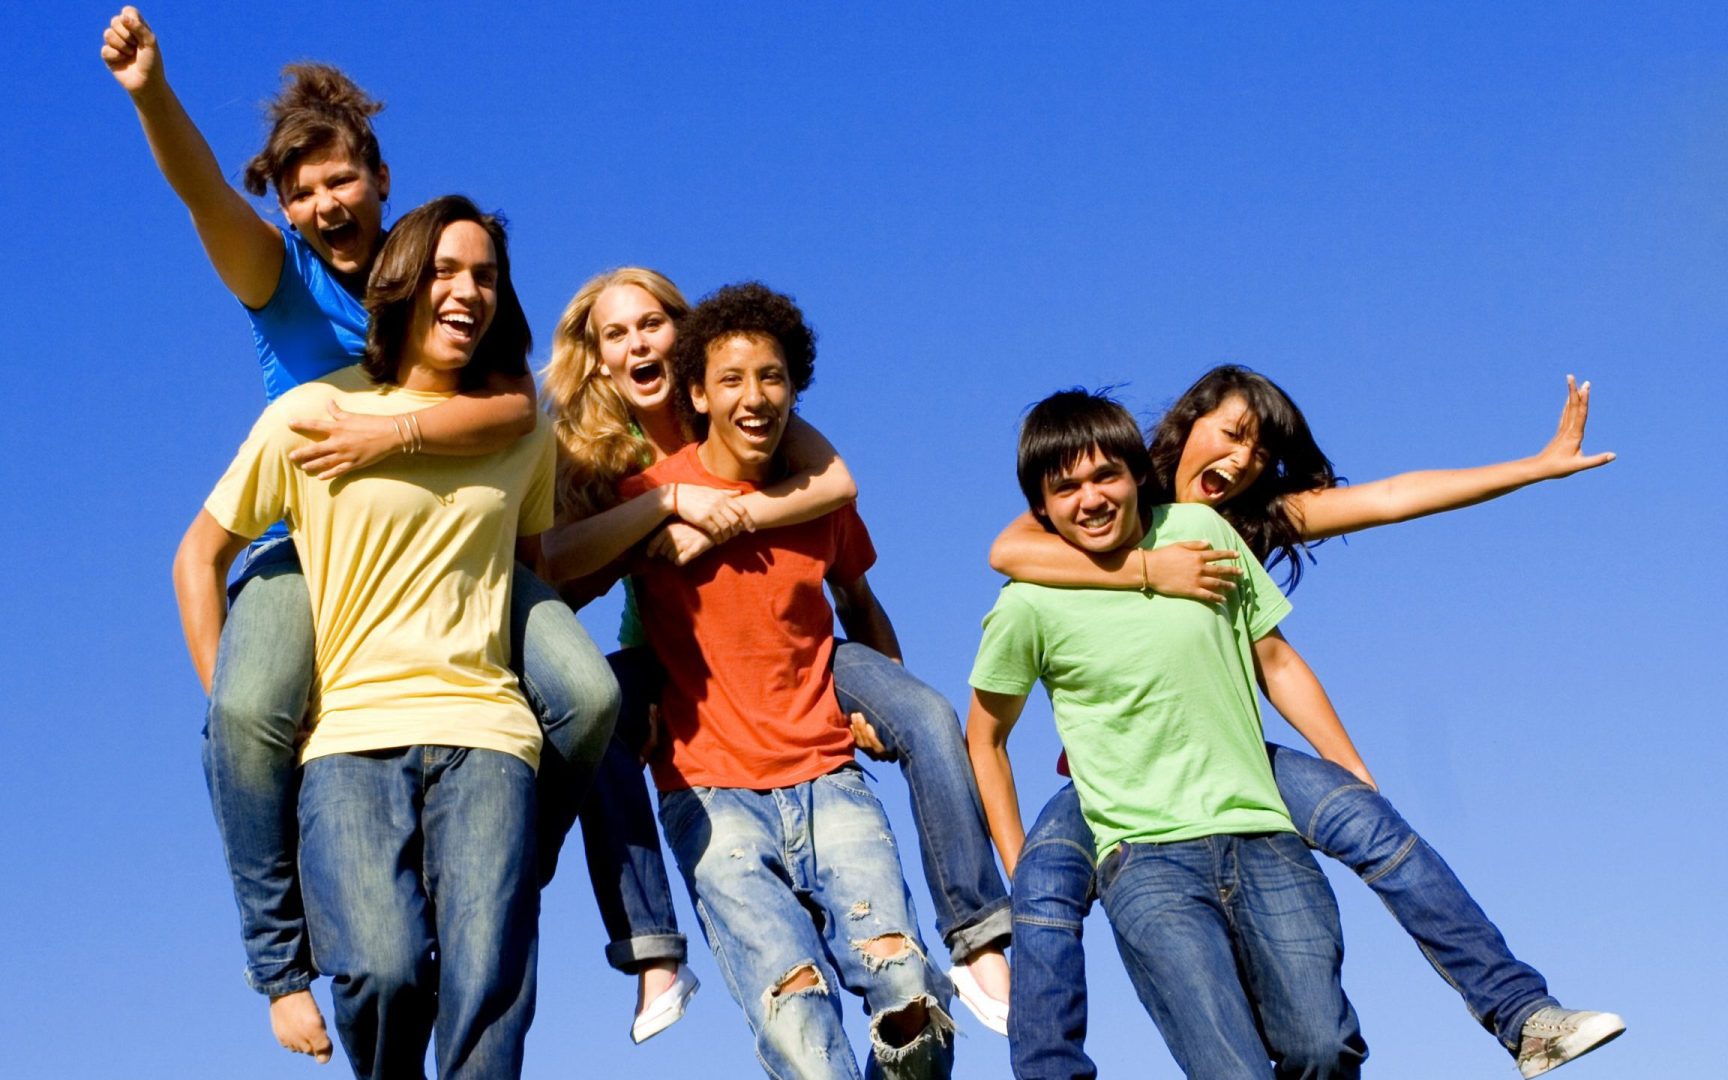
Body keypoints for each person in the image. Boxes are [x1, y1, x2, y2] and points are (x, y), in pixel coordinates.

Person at [103, 9, 617, 1060]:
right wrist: (153, 91)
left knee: (593, 692)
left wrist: (405, 437)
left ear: (380, 179)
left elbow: (517, 405)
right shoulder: (279, 279)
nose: (323, 204)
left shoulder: (432, 278)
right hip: (313, 548)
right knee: (247, 711)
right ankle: (280, 957)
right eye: (300, 191)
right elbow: (202, 194)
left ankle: (515, 854)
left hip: (458, 548)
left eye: (340, 180)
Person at [992, 366, 1624, 1079]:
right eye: (1230, 434)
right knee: (1041, 889)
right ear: (1183, 423)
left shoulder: (1235, 524)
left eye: (1260, 452)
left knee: (1371, 822)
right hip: (1111, 777)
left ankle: (1523, 1014)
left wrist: (1535, 467)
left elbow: (1389, 499)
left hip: (1229, 757)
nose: (1239, 460)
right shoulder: (1095, 478)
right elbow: (1008, 550)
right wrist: (1150, 572)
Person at [541, 268, 1014, 1037]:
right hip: (674, 659)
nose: (638, 343)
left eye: (651, 323)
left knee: (925, 713)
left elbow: (838, 487)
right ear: (596, 360)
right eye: (615, 335)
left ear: (682, 333)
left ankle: (977, 930)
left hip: (801, 652)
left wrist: (728, 515)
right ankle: (652, 947)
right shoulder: (607, 462)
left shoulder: (756, 412)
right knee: (591, 713)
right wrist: (664, 508)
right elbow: (560, 571)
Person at [173, 196, 546, 1079]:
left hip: (487, 732)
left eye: (486, 276)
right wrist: (228, 701)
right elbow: (198, 554)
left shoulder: (521, 425)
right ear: (402, 281)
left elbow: (537, 574)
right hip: (345, 738)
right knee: (379, 971)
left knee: (486, 988)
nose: (468, 291)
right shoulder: (310, 413)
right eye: (447, 272)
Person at [969, 389, 1370, 1079]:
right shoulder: (1028, 601)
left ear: (1135, 477)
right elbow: (985, 737)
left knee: (1323, 1047)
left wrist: (1347, 763)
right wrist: (1019, 860)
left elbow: (1277, 655)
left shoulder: (1198, 535)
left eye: (1104, 477)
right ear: (1041, 507)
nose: (1089, 498)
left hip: (1256, 829)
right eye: (1065, 488)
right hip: (1143, 854)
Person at [621, 282, 955, 1077]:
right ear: (697, 393)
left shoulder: (814, 501)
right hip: (710, 792)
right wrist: (630, 698)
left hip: (830, 776)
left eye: (771, 377)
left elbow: (862, 604)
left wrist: (884, 702)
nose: (754, 396)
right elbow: (561, 577)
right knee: (798, 1021)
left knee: (911, 1000)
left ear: (794, 390)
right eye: (731, 379)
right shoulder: (644, 501)